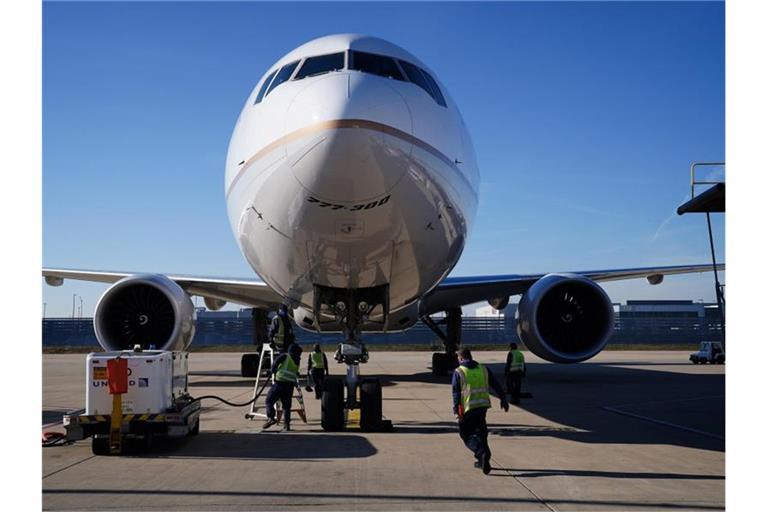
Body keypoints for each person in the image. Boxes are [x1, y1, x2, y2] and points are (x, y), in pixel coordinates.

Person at [452, 347, 508, 474]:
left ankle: (481, 453)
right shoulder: (483, 369)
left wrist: (456, 410)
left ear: (461, 358)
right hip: (482, 406)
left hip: (468, 408)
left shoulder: (459, 371)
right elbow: (495, 384)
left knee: (465, 434)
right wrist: (503, 398)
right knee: (481, 432)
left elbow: (456, 394)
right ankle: (484, 459)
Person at [262, 342, 303, 432]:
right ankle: (286, 425)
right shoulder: (297, 361)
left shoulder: (285, 356)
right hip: (289, 386)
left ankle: (271, 417)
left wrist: (273, 370)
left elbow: (276, 363)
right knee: (286, 406)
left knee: (269, 401)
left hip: (279, 384)